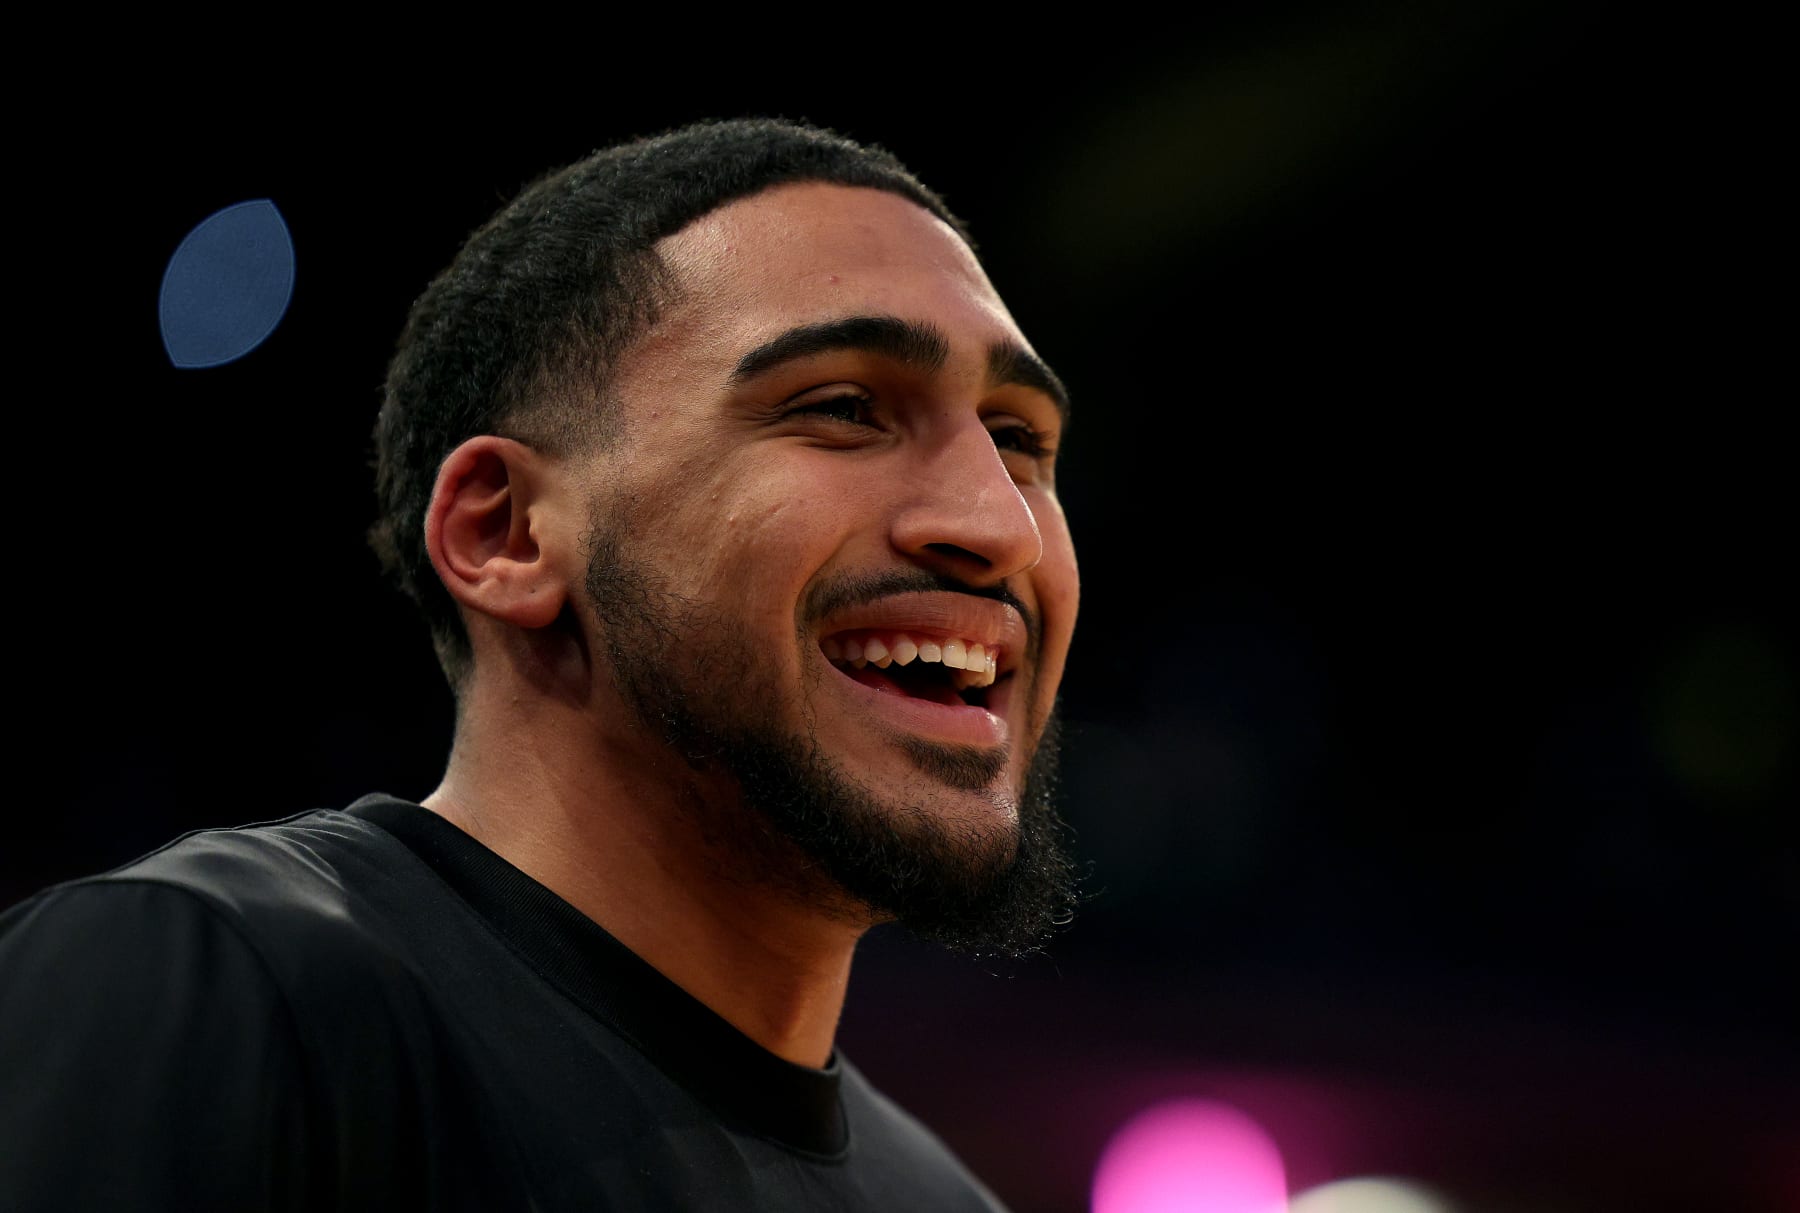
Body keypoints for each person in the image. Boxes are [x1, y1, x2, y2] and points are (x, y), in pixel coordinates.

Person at [0, 118, 1080, 1211]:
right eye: (843, 409)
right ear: (507, 534)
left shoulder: (945, 1201)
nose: (1001, 526)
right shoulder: (208, 988)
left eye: (1020, 440)